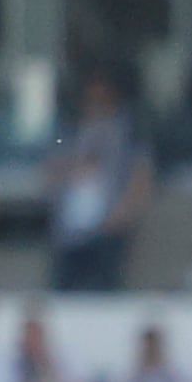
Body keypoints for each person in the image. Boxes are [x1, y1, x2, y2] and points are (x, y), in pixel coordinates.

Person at [41, 73, 151, 293]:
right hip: (70, 231)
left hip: (107, 228)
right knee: (64, 291)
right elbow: (50, 168)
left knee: (101, 292)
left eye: (102, 99)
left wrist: (124, 210)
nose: (96, 105)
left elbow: (142, 173)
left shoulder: (128, 135)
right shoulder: (71, 133)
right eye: (91, 99)